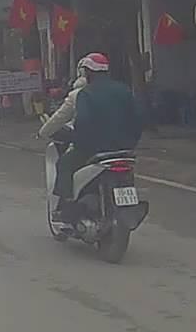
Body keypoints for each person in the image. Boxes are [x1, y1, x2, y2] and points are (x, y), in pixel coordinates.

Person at [52, 52, 145, 220]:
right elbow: (138, 118)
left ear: (87, 72)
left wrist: (76, 138)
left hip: (93, 149)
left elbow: (83, 122)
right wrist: (131, 142)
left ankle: (67, 206)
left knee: (64, 164)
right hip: (124, 149)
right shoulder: (124, 90)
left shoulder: (85, 93)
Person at [38, 73, 87, 140]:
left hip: (83, 137)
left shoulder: (75, 95)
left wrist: (43, 132)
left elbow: (60, 117)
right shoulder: (100, 91)